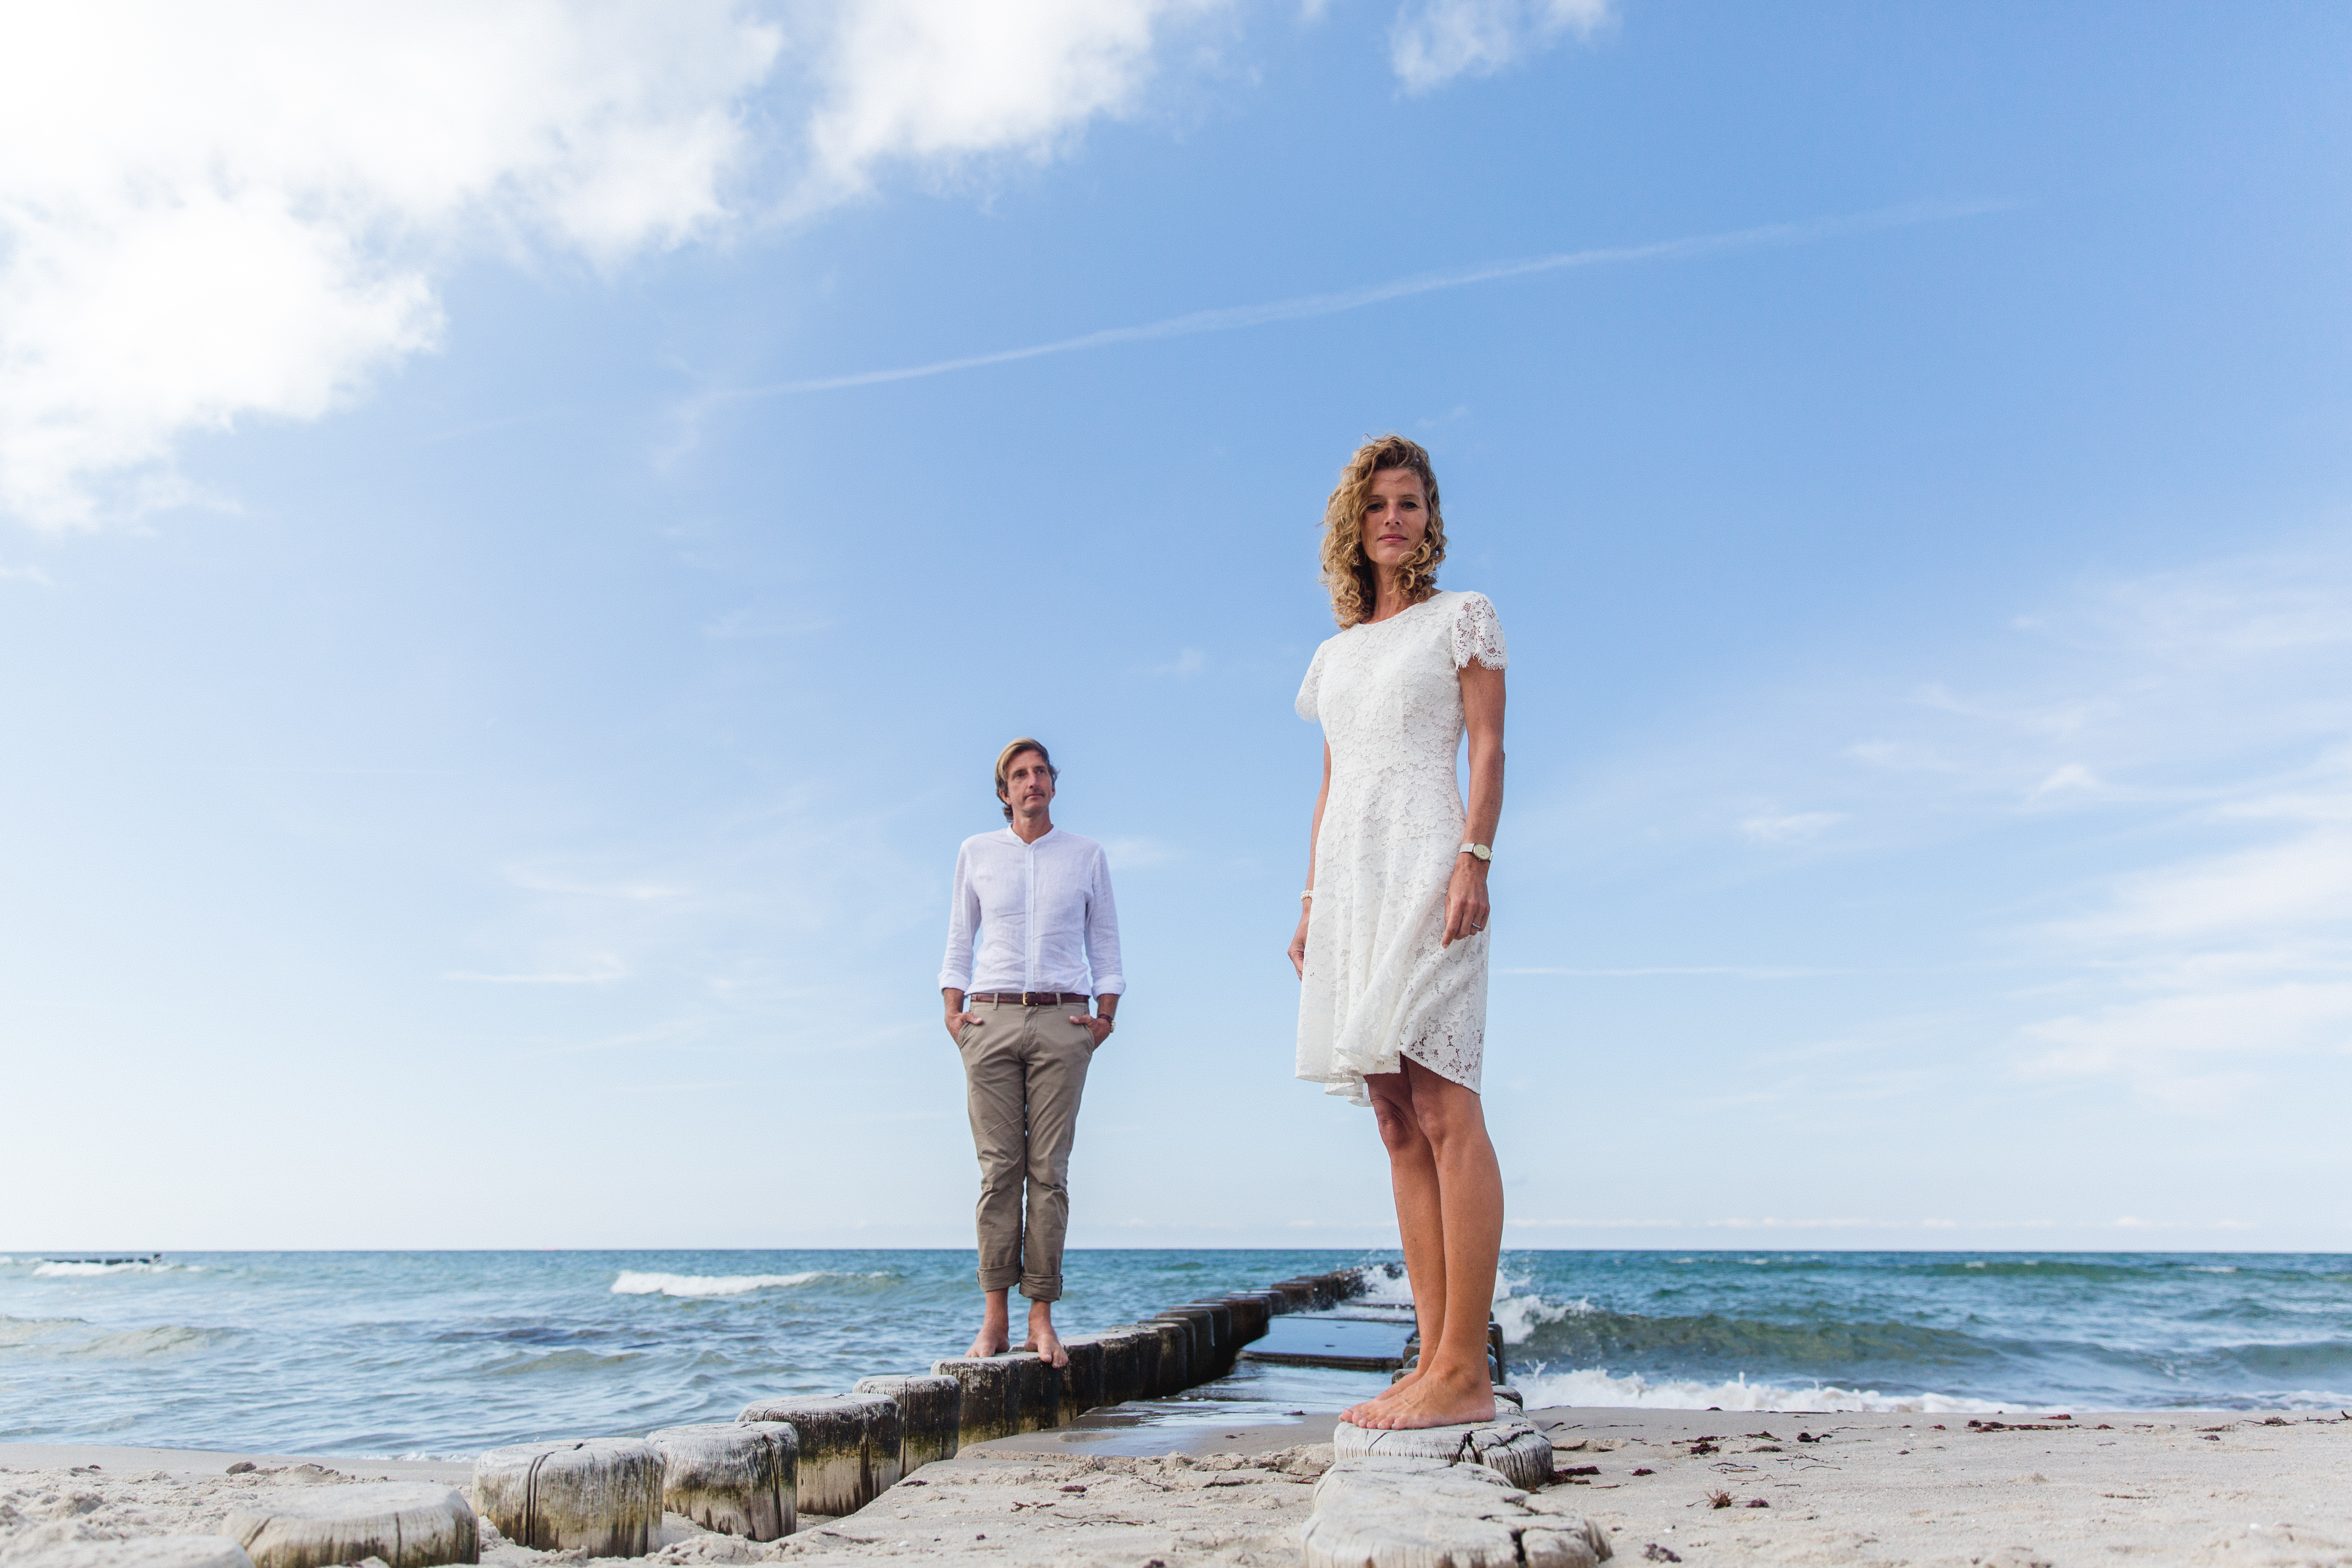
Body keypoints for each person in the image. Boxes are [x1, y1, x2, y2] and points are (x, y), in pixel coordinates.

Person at [1289, 434, 1509, 1431]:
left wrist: (1476, 857)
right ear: (1356, 523)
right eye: (1378, 503)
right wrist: (1309, 906)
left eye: (1411, 503)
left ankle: (1467, 1368)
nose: (1394, 518)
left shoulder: (1464, 619)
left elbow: (1491, 745)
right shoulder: (1333, 655)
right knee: (1389, 1114)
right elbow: (1333, 783)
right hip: (1352, 883)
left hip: (1431, 865)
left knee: (1443, 1099)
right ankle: (1432, 1362)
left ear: (1430, 521)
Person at [939, 738, 1123, 1368]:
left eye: (1041, 771)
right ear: (1003, 792)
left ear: (1052, 783)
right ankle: (993, 1320)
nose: (1032, 782)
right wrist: (954, 1013)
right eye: (1019, 775)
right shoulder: (976, 853)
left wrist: (1103, 1017)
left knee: (1049, 1172)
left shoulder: (1086, 855)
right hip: (988, 1019)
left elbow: (1105, 940)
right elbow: (959, 936)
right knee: (999, 1173)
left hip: (1062, 1018)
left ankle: (1040, 1319)